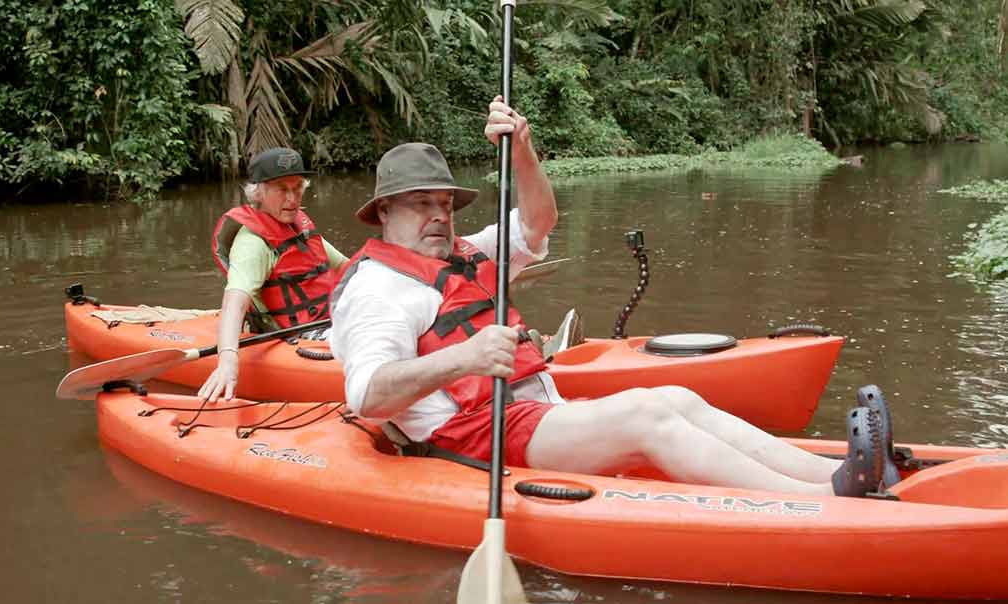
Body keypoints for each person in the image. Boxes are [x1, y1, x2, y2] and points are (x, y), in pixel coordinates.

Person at [329, 97, 892, 497]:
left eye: (446, 204)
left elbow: (536, 223)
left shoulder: (461, 251)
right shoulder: (376, 289)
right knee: (648, 415)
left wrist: (521, 149)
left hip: (530, 412)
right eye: (422, 203)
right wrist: (465, 358)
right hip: (474, 438)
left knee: (676, 397)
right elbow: (368, 395)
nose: (438, 215)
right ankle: (824, 502)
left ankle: (836, 471)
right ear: (384, 212)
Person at [199, 147, 348, 402]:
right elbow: (235, 302)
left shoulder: (298, 227)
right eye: (282, 189)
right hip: (301, 334)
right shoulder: (253, 245)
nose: (292, 198)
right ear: (259, 192)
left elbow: (349, 267)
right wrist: (227, 358)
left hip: (328, 319)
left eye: (298, 187)